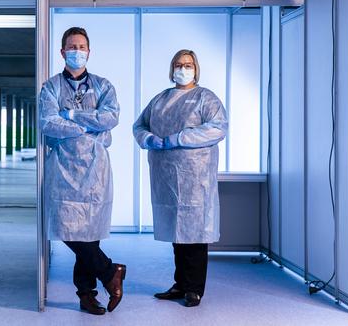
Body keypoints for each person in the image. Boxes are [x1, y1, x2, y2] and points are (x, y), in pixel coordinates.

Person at [39, 27, 126, 315]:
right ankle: (110, 271)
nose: (77, 50)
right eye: (71, 46)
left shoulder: (103, 86)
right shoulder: (50, 87)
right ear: (63, 52)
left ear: (89, 52)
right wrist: (89, 126)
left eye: (82, 46)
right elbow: (48, 122)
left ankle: (86, 295)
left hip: (95, 170)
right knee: (67, 227)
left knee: (89, 233)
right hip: (63, 168)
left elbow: (111, 118)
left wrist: (72, 116)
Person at [133, 49, 228, 307]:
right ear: (171, 68)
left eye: (187, 64)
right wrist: (149, 139)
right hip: (167, 176)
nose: (182, 68)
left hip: (195, 178)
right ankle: (180, 284)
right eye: (178, 64)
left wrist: (180, 138)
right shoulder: (161, 99)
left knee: (195, 235)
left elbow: (218, 128)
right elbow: (139, 125)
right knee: (178, 233)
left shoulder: (205, 98)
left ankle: (194, 289)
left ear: (196, 68)